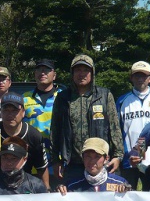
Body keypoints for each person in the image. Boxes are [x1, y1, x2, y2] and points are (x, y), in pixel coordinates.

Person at [50, 53, 124, 186]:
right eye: (78, 70)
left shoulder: (104, 95)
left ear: (92, 72)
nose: (81, 74)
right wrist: (56, 160)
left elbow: (115, 128)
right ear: (72, 73)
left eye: (86, 70)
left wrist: (118, 156)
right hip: (74, 163)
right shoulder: (62, 98)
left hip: (100, 162)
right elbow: (55, 131)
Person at [0, 91, 49, 189]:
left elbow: (41, 168)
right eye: (6, 110)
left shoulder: (34, 136)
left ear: (23, 112)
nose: (10, 114)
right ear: (0, 112)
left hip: (23, 186)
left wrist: (47, 191)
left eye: (14, 110)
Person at [117, 60, 150, 189]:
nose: (141, 79)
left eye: (144, 75)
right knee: (127, 198)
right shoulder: (122, 101)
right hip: (129, 161)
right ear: (131, 78)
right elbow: (115, 131)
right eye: (137, 75)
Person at [23, 59, 62, 179]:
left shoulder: (64, 97)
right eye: (39, 69)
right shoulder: (25, 98)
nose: (42, 73)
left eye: (46, 70)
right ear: (35, 74)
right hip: (32, 160)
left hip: (59, 161)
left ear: (54, 75)